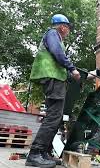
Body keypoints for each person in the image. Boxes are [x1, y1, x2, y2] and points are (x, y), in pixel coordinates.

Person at [26, 14, 80, 168]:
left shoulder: (56, 37)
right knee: (54, 116)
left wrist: (72, 74)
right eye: (68, 27)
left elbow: (58, 60)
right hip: (52, 78)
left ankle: (44, 152)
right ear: (62, 26)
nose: (68, 30)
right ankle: (35, 153)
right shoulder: (52, 34)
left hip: (56, 78)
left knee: (55, 116)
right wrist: (72, 68)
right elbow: (57, 53)